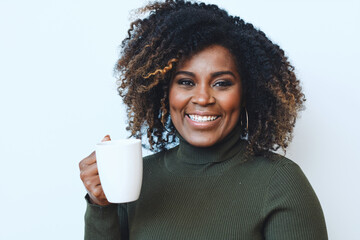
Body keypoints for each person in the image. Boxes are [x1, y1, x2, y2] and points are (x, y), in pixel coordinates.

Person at [79, 0, 328, 239]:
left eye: (221, 83)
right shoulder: (137, 181)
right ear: (165, 92)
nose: (202, 98)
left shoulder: (280, 183)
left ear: (246, 94)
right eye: (186, 82)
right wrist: (101, 205)